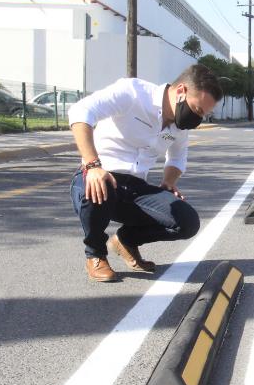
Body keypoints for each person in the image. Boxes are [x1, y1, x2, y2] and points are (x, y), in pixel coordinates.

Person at [67, 65, 223, 282]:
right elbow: (81, 111)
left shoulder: (179, 127)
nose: (197, 120)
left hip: (134, 188)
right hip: (98, 175)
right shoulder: (133, 93)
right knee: (99, 184)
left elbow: (177, 158)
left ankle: (126, 240)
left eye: (203, 115)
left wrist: (169, 182)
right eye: (197, 110)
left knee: (187, 222)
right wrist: (93, 165)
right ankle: (95, 254)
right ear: (181, 92)